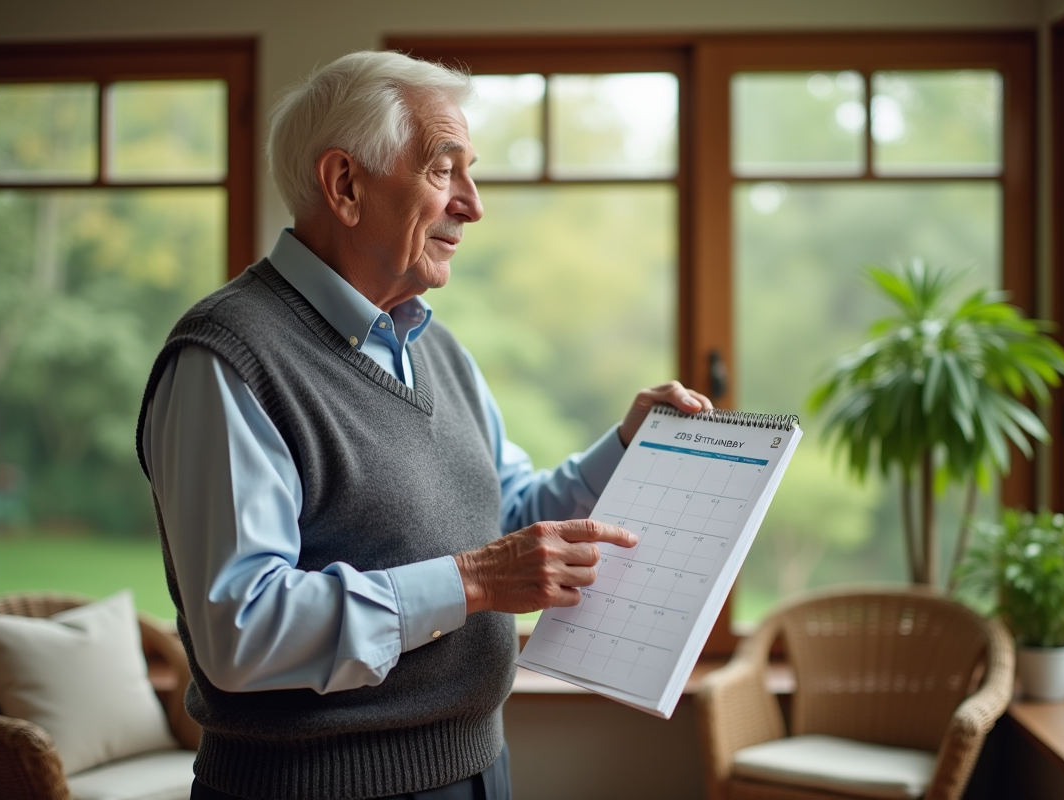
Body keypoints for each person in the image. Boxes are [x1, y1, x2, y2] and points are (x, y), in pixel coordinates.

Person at [136, 50, 711, 800]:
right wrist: (473, 582)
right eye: (445, 171)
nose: (472, 204)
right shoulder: (228, 360)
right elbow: (243, 631)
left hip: (476, 771)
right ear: (345, 184)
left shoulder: (437, 349)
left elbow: (507, 520)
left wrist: (626, 447)